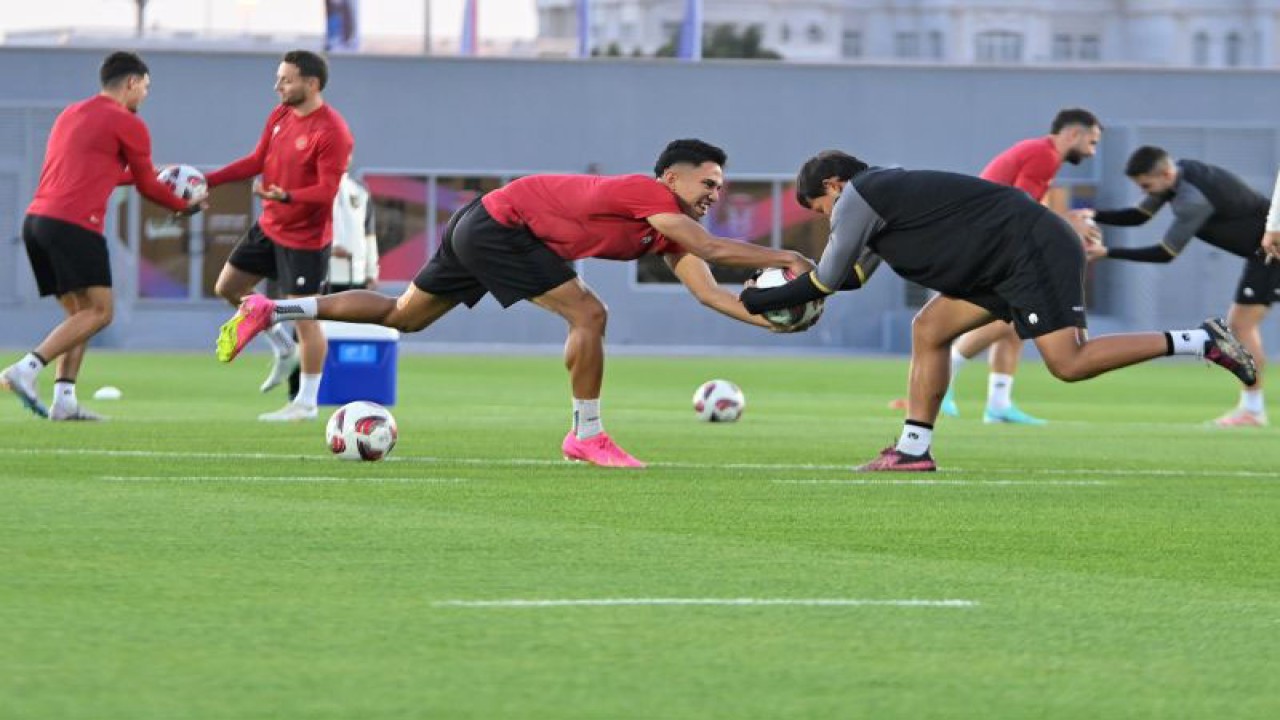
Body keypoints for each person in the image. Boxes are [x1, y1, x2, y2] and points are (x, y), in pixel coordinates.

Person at [216, 139, 815, 467]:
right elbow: (711, 246)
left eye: (718, 186)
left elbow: (709, 290)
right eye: (706, 182)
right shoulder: (646, 193)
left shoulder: (667, 231)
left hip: (483, 222)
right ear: (671, 177)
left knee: (405, 317)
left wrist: (766, 321)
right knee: (589, 313)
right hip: (501, 227)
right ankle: (587, 434)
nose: (714, 193)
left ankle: (275, 310)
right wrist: (789, 260)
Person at [740, 150, 1256, 471]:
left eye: (821, 210)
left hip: (1029, 251)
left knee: (1068, 363)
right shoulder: (879, 201)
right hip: (998, 264)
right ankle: (913, 450)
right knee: (930, 328)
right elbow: (849, 277)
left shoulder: (861, 195)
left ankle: (1200, 340)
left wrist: (758, 299)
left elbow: (827, 278)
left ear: (832, 186)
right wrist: (792, 285)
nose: (828, 220)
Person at [0, 51, 203, 420]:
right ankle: (25, 370)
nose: (145, 95)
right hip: (75, 225)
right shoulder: (128, 122)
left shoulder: (71, 113)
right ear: (132, 82)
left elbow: (106, 175)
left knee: (81, 316)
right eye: (145, 87)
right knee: (100, 312)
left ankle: (65, 401)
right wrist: (182, 205)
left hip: (38, 222)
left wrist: (160, 178)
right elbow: (146, 186)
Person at [1082, 146, 1274, 427]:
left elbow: (1165, 253)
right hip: (1264, 254)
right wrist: (1093, 214)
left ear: (1166, 173)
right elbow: (1139, 215)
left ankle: (1253, 410)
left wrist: (1107, 252)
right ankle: (1252, 408)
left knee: (1241, 326)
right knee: (1239, 326)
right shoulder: (1179, 173)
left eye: (1147, 186)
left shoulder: (1192, 199)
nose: (1147, 192)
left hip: (1271, 254)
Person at [208, 49, 353, 422]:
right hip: (270, 227)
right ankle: (281, 345)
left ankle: (305, 403)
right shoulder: (281, 115)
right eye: (278, 78)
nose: (277, 86)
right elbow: (257, 160)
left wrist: (286, 196)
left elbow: (326, 191)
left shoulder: (332, 132)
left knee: (306, 319)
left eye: (286, 80)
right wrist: (208, 180)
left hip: (305, 239)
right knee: (227, 288)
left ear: (311, 83)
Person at [937, 108, 1104, 425]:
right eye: (1091, 142)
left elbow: (1026, 204)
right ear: (1073, 134)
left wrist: (1068, 226)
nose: (1092, 151)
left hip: (990, 240)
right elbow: (1021, 207)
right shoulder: (1044, 155)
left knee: (1016, 326)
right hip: (986, 243)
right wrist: (1070, 224)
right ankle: (943, 378)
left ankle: (999, 404)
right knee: (1012, 316)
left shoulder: (1039, 153)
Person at [284, 156, 378, 400]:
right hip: (320, 274)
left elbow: (368, 234)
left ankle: (347, 390)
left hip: (353, 276)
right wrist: (330, 247)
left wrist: (371, 271)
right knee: (306, 332)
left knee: (352, 338)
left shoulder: (359, 191)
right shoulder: (311, 190)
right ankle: (298, 391)